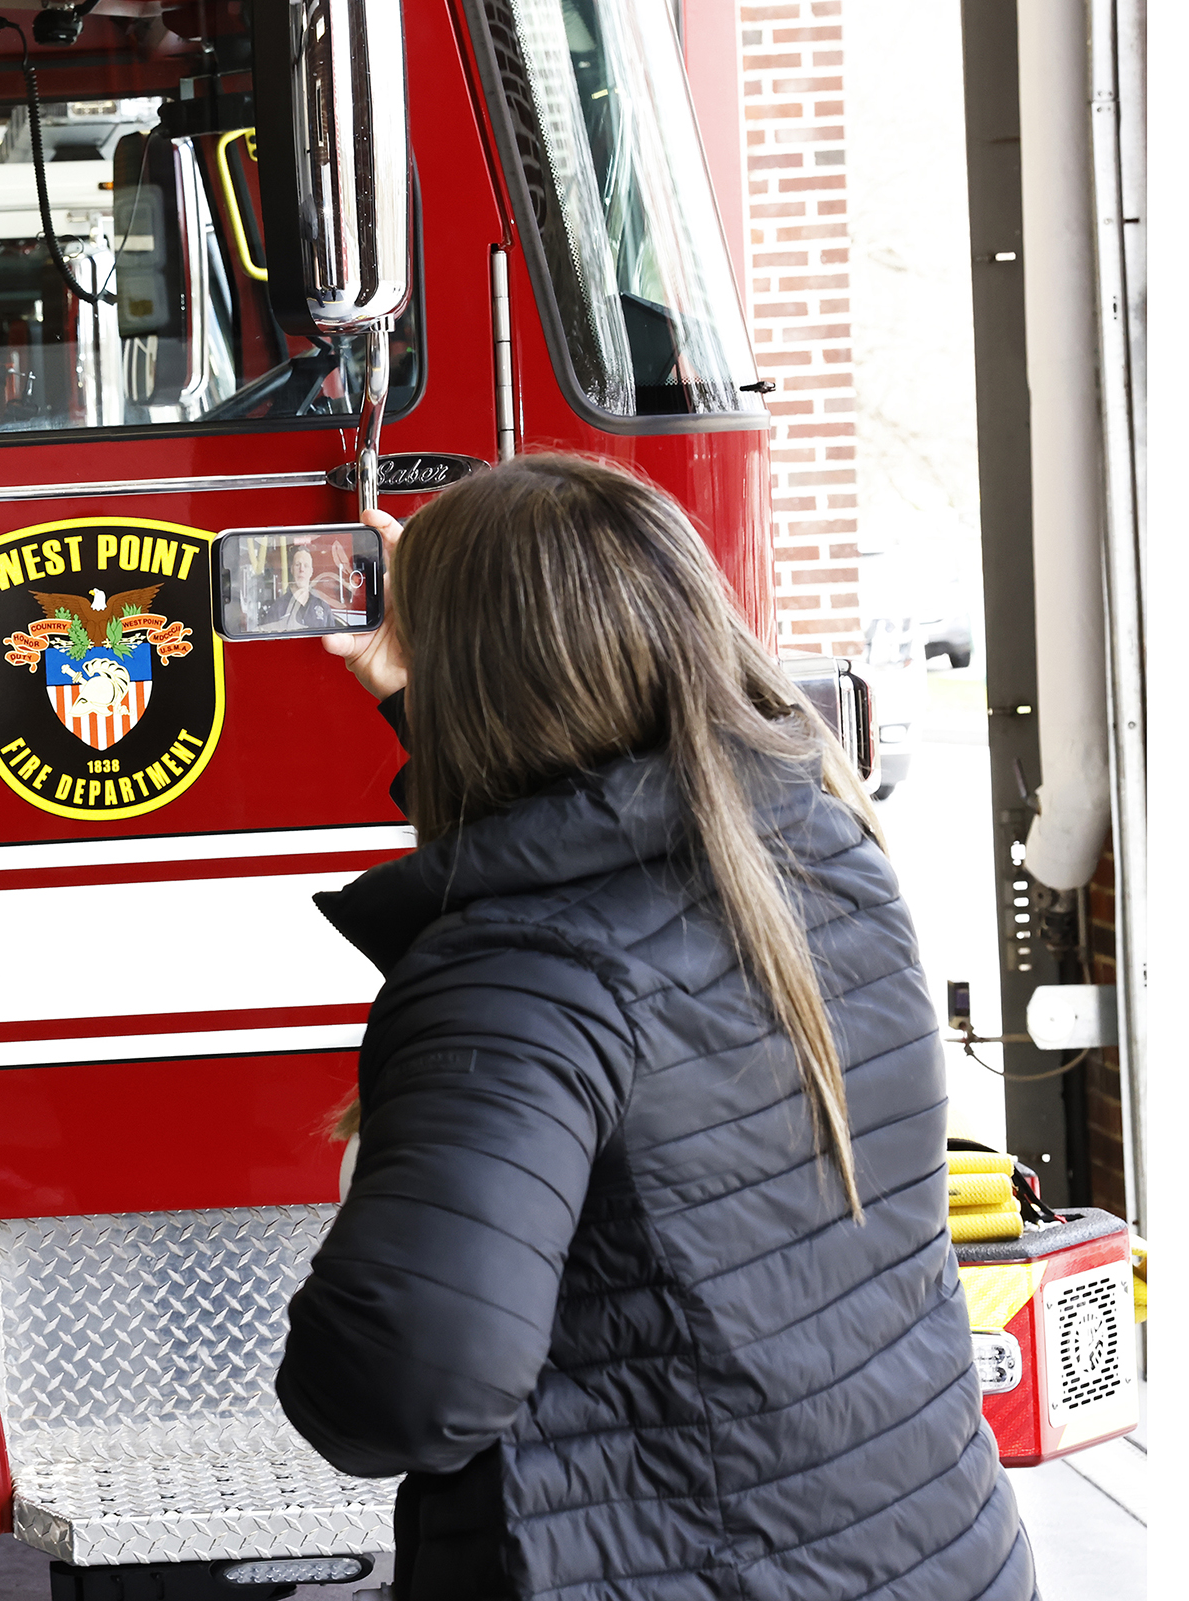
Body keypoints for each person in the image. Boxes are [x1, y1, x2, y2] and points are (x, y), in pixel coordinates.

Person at [275, 456, 1030, 1600]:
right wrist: (409, 688)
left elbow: (409, 1387)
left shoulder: (517, 973)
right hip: (937, 1551)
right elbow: (581, 812)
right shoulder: (818, 850)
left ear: (487, 685)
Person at [263, 543, 339, 632]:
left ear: (311, 571)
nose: (301, 569)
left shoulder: (324, 608)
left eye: (306, 565)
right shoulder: (278, 608)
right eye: (297, 565)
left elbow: (331, 640)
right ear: (291, 569)